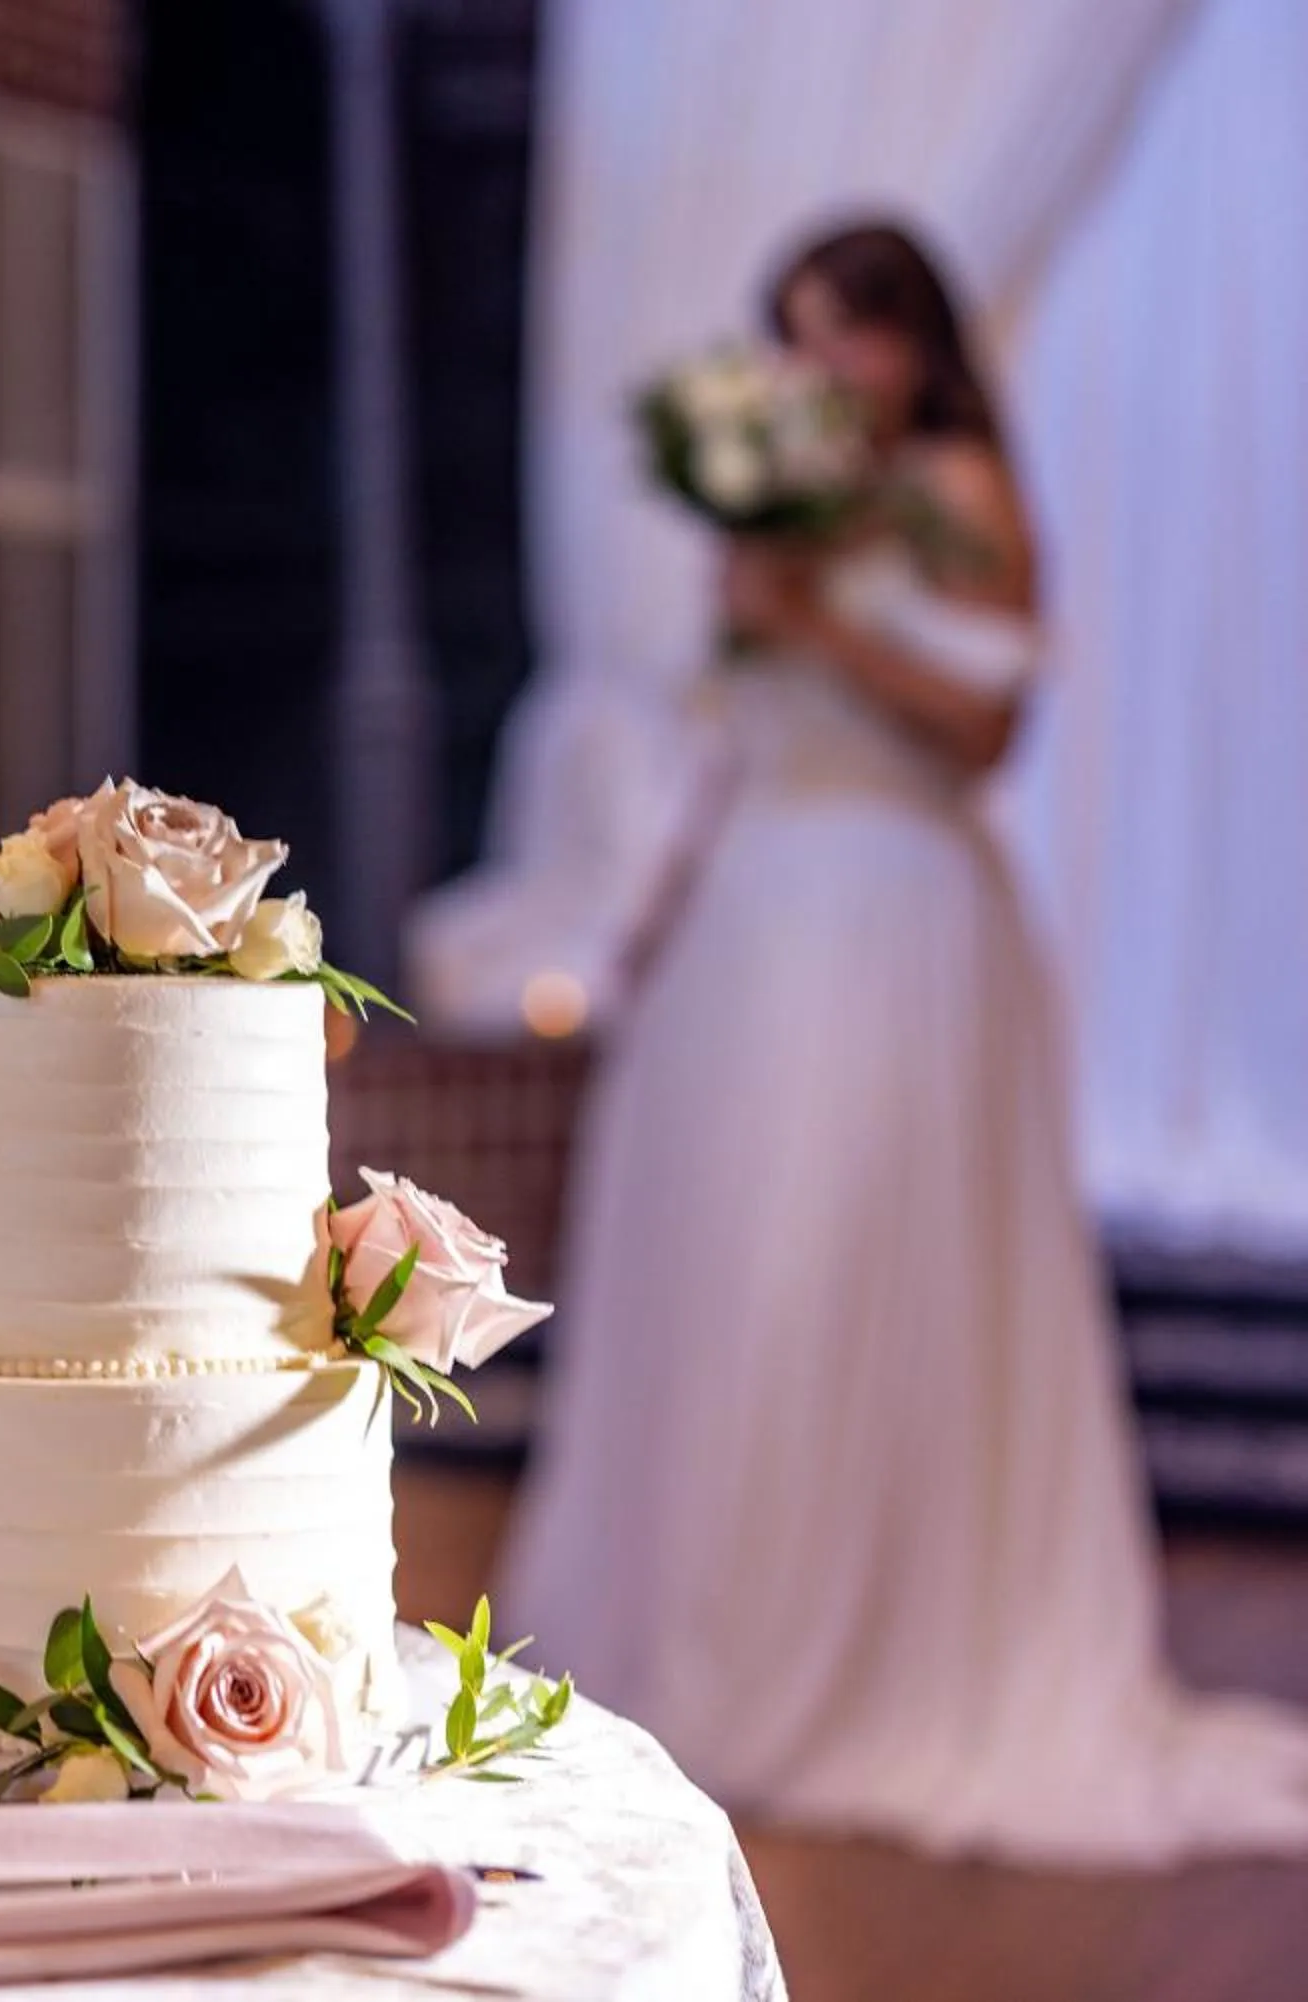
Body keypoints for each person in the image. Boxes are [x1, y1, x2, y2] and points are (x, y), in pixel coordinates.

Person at [496, 219, 1308, 1866]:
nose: (821, 367)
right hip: (748, 918)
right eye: (794, 333)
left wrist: (815, 617)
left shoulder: (956, 495)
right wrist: (646, 913)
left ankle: (864, 1662)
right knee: (721, 1286)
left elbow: (988, 726)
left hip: (893, 919)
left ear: (919, 344)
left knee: (844, 1276)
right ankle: (701, 1655)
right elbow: (726, 736)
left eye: (847, 332)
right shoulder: (769, 505)